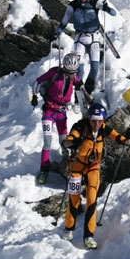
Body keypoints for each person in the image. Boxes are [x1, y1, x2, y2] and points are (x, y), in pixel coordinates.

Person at [61, 103, 130, 249]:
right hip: (76, 165)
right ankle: (69, 230)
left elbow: (120, 138)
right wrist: (75, 142)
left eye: (100, 121)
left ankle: (89, 236)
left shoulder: (103, 129)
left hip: (93, 167)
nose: (97, 124)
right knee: (74, 199)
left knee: (92, 200)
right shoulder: (80, 127)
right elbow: (66, 143)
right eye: (94, 120)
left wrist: (128, 139)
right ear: (89, 119)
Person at [31, 53, 85, 184]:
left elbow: (82, 89)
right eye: (68, 71)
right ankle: (44, 170)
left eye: (73, 72)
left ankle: (65, 159)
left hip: (62, 113)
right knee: (47, 142)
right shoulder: (54, 72)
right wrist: (34, 96)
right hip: (49, 111)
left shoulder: (74, 78)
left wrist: (83, 93)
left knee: (64, 141)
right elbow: (37, 81)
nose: (70, 74)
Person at [56, 0, 117, 95]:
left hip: (94, 38)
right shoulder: (73, 5)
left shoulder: (95, 2)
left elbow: (113, 13)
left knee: (94, 69)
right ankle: (77, 95)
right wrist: (59, 30)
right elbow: (65, 20)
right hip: (80, 38)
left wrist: (107, 7)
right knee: (78, 68)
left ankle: (87, 91)